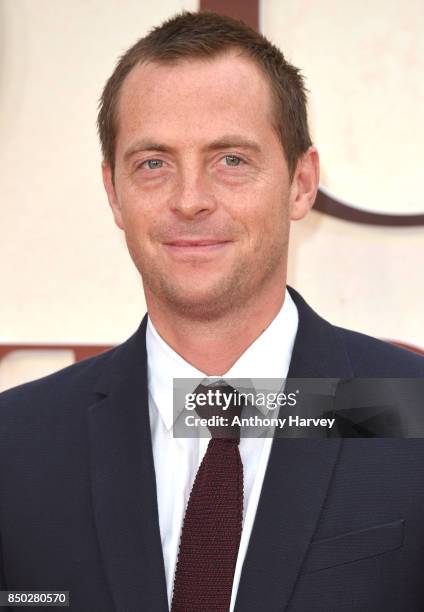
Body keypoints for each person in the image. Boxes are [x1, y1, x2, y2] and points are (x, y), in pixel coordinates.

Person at [1, 10, 423, 612]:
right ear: (113, 193)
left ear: (301, 183)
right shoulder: (15, 444)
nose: (190, 200)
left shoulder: (409, 414)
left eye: (231, 160)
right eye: (153, 163)